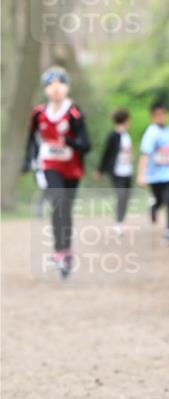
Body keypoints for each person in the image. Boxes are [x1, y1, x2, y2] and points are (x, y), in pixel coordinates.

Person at [23, 66, 91, 279]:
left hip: (72, 169)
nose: (55, 89)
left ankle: (66, 251)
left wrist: (69, 141)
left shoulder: (73, 113)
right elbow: (32, 140)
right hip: (49, 165)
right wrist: (28, 161)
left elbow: (86, 144)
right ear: (45, 89)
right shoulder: (38, 114)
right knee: (58, 202)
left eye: (60, 84)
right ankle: (58, 251)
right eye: (50, 85)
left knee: (65, 210)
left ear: (67, 87)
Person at [137, 101, 169, 246]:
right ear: (152, 117)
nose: (160, 117)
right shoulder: (151, 133)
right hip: (155, 175)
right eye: (157, 115)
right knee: (160, 200)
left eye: (163, 114)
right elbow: (145, 154)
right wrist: (141, 174)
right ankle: (154, 207)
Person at [95, 108, 133, 234]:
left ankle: (121, 221)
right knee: (121, 195)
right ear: (126, 120)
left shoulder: (127, 135)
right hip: (117, 172)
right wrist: (100, 170)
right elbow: (106, 153)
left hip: (127, 171)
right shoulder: (113, 136)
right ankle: (118, 223)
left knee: (126, 196)